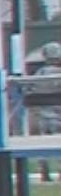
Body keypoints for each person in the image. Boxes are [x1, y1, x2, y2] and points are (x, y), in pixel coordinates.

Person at [36, 42, 61, 182]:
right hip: (59, 115)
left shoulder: (41, 73)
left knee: (43, 142)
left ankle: (44, 170)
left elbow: (31, 89)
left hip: (44, 114)